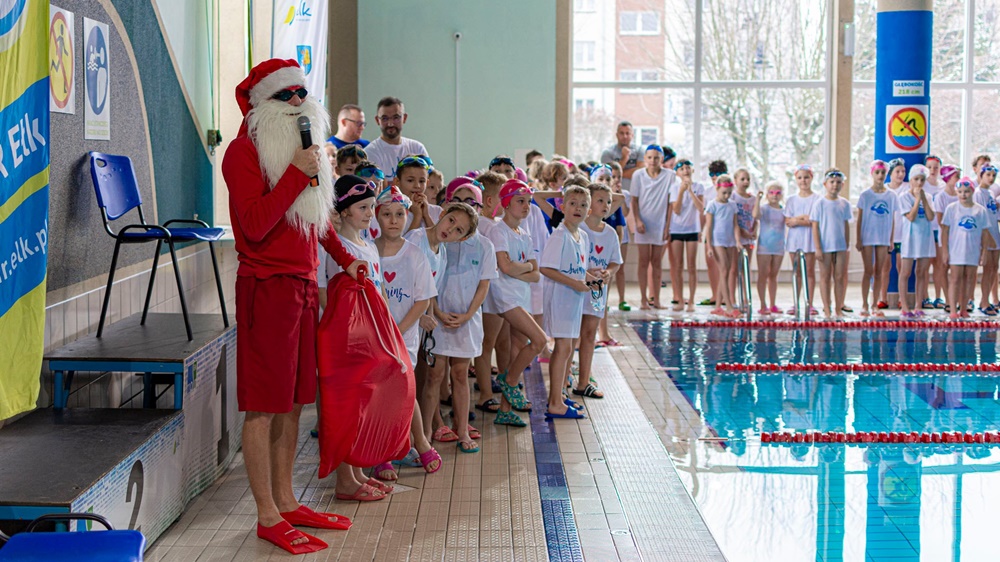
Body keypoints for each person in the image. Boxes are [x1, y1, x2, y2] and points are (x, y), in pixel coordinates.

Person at [223, 58, 361, 555]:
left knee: (297, 399)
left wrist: (346, 261)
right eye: (288, 96)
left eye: (303, 93)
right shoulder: (242, 154)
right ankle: (265, 514)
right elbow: (255, 225)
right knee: (264, 406)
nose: (299, 103)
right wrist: (295, 175)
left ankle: (284, 499)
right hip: (266, 287)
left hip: (302, 287)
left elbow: (317, 219)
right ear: (264, 104)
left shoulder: (303, 156)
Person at [370, 187, 442, 482]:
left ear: (407, 215)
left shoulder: (414, 254)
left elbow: (423, 300)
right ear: (376, 217)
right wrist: (383, 332)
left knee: (403, 387)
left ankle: (418, 441)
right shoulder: (368, 251)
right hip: (374, 335)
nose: (394, 220)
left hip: (404, 335)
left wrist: (397, 332)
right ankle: (384, 451)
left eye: (400, 214)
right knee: (382, 392)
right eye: (386, 214)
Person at [429, 184, 495, 453]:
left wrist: (468, 315)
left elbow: (483, 286)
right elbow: (428, 280)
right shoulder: (442, 242)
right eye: (458, 202)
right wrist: (436, 311)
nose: (466, 206)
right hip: (438, 317)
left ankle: (461, 429)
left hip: (466, 320)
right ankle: (430, 429)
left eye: (471, 202)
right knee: (435, 374)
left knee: (459, 374)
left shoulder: (484, 245)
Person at [483, 179, 547, 426]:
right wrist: (525, 267)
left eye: (529, 202)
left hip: (522, 295)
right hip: (505, 297)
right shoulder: (498, 231)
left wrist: (521, 268)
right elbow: (505, 267)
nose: (526, 206)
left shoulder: (525, 234)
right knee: (539, 340)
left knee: (517, 349)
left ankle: (505, 411)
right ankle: (509, 383)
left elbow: (536, 273)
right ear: (506, 203)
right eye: (521, 201)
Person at [541, 186, 594, 420]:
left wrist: (591, 279)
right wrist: (575, 284)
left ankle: (561, 396)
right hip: (561, 299)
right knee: (562, 348)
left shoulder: (583, 236)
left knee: (569, 347)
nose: (578, 208)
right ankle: (554, 402)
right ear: (562, 207)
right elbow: (546, 268)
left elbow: (579, 270)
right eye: (573, 203)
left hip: (574, 300)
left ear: (588, 211)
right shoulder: (559, 234)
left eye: (583, 205)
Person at [577, 182, 622, 399]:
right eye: (600, 200)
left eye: (609, 201)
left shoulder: (611, 233)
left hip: (597, 291)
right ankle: (566, 375)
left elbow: (615, 262)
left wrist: (609, 273)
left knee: (589, 335)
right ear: (589, 204)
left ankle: (583, 382)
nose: (605, 205)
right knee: (570, 337)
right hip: (575, 290)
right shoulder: (578, 229)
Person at [941, 178, 993, 319]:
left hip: (972, 250)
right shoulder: (951, 208)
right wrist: (945, 251)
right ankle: (953, 309)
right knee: (955, 279)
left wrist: (984, 253)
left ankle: (963, 308)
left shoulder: (980, 210)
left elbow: (985, 233)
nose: (963, 195)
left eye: (967, 192)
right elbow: (944, 231)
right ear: (957, 193)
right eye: (960, 192)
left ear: (972, 192)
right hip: (956, 250)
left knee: (969, 279)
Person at [631, 145, 675, 309]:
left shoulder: (670, 176)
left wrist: (667, 226)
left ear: (662, 159)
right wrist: (637, 220)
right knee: (643, 261)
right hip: (643, 223)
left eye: (656, 158)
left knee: (657, 262)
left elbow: (671, 203)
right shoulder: (638, 175)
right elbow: (634, 200)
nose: (653, 161)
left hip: (660, 224)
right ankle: (643, 299)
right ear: (645, 159)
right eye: (649, 157)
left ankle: (655, 299)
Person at [810, 169, 853, 318]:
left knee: (840, 277)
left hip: (840, 246)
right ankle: (827, 308)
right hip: (825, 246)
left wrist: (847, 245)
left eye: (838, 183)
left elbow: (846, 225)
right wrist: (818, 248)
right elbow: (815, 226)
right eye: (832, 182)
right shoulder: (819, 203)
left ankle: (838, 308)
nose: (835, 185)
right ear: (825, 184)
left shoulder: (845, 204)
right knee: (825, 277)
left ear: (843, 184)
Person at [856, 160, 896, 317]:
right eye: (877, 173)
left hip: (883, 237)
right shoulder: (865, 195)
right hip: (867, 236)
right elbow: (860, 218)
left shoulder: (891, 196)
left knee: (879, 271)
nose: (880, 176)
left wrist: (891, 239)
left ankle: (874, 305)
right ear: (872, 174)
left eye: (883, 173)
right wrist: (858, 238)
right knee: (868, 270)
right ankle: (864, 304)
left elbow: (892, 219)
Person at [897, 165, 937, 318]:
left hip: (925, 238)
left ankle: (918, 305)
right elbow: (911, 217)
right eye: (916, 179)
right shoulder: (903, 197)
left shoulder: (928, 197)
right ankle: (905, 306)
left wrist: (923, 199)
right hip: (910, 239)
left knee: (922, 273)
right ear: (910, 180)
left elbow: (930, 216)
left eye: (922, 180)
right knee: (905, 272)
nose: (919, 183)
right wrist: (917, 200)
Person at [667, 159, 704, 312]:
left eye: (688, 167)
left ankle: (692, 300)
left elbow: (701, 208)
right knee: (677, 266)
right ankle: (680, 299)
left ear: (692, 170)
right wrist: (682, 191)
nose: (685, 170)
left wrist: (690, 191)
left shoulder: (699, 187)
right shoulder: (674, 188)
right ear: (677, 173)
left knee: (691, 266)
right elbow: (676, 209)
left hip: (692, 230)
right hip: (676, 230)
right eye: (681, 168)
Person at [365, 97, 428, 181]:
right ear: (377, 120)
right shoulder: (370, 153)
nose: (390, 124)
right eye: (385, 118)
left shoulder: (417, 148)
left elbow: (431, 183)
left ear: (404, 118)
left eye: (396, 118)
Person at [784, 164, 820, 316]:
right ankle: (796, 303)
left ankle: (809, 303)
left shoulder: (817, 199)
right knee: (797, 272)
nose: (803, 181)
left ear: (812, 178)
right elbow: (787, 221)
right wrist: (803, 218)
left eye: (806, 177)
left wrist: (797, 220)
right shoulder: (791, 199)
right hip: (794, 240)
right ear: (796, 180)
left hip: (810, 239)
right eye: (800, 178)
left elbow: (814, 221)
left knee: (809, 272)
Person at [704, 175, 741, 318]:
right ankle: (729, 306)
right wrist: (709, 246)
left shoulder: (732, 205)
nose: (726, 196)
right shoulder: (712, 205)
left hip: (729, 241)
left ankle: (718, 306)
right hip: (717, 241)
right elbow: (709, 226)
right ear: (717, 189)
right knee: (724, 270)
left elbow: (735, 225)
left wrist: (737, 241)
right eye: (723, 193)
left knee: (725, 272)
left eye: (729, 193)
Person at [934, 165, 962, 312]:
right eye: (956, 177)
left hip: (959, 237)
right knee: (943, 267)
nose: (958, 179)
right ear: (948, 178)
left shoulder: (961, 194)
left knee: (957, 269)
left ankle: (957, 299)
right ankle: (947, 299)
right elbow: (940, 220)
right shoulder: (941, 197)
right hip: (945, 237)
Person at [754, 181, 785, 314]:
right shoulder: (764, 209)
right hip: (764, 247)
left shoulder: (784, 210)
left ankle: (773, 304)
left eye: (778, 193)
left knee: (774, 275)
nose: (775, 195)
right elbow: (755, 216)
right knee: (763, 275)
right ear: (767, 194)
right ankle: (762, 304)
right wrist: (757, 200)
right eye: (771, 192)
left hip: (778, 247)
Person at [973, 164, 1000, 315]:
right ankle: (983, 302)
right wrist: (986, 239)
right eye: (988, 175)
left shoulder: (990, 193)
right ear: (981, 175)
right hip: (987, 236)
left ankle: (987, 300)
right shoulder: (978, 193)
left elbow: (993, 215)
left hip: (995, 234)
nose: (991, 178)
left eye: (993, 176)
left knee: (993, 269)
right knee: (987, 269)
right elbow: (981, 218)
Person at [601, 121, 641, 190]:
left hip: (637, 194)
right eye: (622, 133)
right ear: (617, 135)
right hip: (613, 194)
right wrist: (625, 158)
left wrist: (618, 174)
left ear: (632, 135)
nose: (625, 136)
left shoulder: (640, 150)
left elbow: (641, 173)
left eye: (627, 133)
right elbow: (608, 174)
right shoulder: (607, 153)